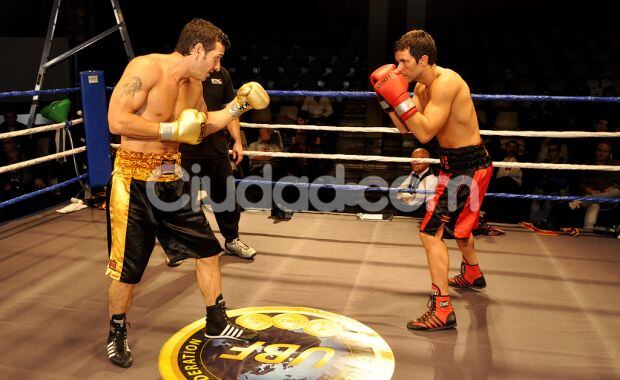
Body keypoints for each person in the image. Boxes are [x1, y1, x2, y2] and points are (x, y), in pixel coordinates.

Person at [105, 19, 269, 368]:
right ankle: (116, 331)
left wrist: (239, 106)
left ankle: (216, 321)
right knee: (127, 269)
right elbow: (117, 120)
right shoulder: (146, 67)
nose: (217, 66)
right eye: (216, 57)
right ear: (197, 50)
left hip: (171, 180)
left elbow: (204, 125)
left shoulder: (194, 84)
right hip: (132, 181)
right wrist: (169, 128)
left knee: (208, 251)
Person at [370, 29, 493, 331]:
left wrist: (398, 96)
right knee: (459, 229)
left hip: (469, 166)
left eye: (403, 62)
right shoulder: (422, 90)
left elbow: (425, 134)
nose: (398, 69)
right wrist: (388, 102)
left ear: (422, 59)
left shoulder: (447, 83)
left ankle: (442, 309)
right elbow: (407, 128)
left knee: (430, 233)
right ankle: (473, 273)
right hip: (454, 166)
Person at [177, 66, 257, 263]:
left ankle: (232, 240)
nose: (218, 64)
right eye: (217, 56)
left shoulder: (222, 74)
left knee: (226, 197)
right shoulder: (180, 74)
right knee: (181, 200)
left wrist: (237, 140)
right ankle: (178, 246)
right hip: (184, 149)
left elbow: (229, 110)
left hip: (216, 148)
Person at [396, 148, 438, 217]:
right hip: (408, 212)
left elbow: (413, 202)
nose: (415, 163)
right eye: (413, 160)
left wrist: (401, 195)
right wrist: (402, 194)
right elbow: (400, 188)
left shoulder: (432, 179)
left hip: (420, 215)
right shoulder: (414, 173)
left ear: (427, 162)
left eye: (418, 160)